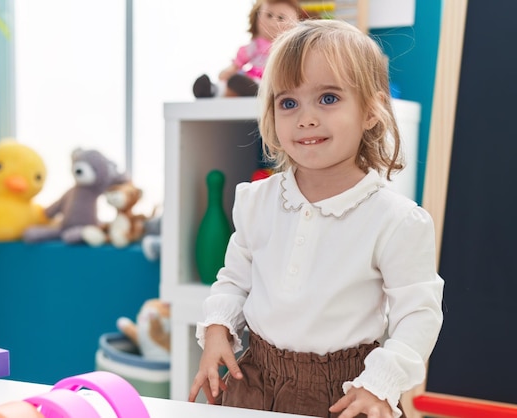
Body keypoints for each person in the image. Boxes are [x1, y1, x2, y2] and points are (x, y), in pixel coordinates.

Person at [188, 19, 444, 418]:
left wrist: (380, 385)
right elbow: (235, 280)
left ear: (372, 111)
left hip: (346, 392)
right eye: (288, 103)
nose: (305, 118)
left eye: (327, 98)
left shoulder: (395, 220)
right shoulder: (257, 200)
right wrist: (219, 329)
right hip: (254, 379)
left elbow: (419, 316)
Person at [192, 0, 305, 98]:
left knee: (261, 85)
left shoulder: (286, 49)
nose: (273, 21)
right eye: (269, 15)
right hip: (248, 77)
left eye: (281, 17)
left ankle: (252, 91)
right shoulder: (254, 47)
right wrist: (229, 71)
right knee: (232, 82)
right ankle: (212, 90)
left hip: (269, 80)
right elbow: (238, 63)